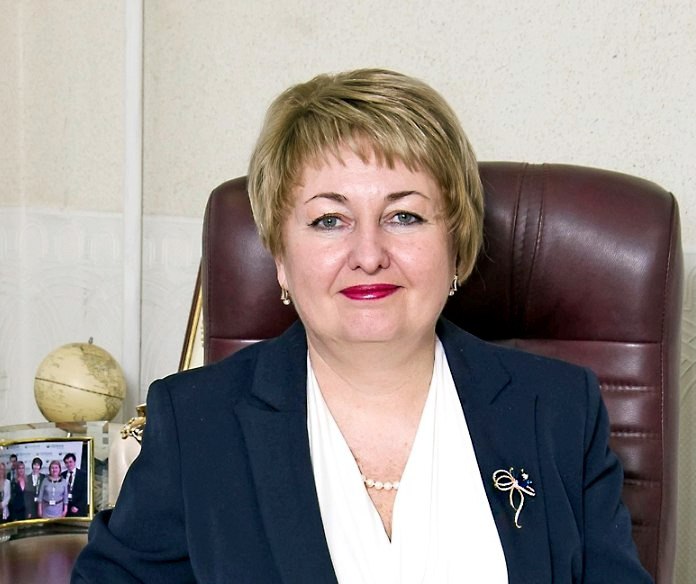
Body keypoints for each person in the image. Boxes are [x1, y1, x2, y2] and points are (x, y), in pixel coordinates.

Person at [73, 69, 652, 582]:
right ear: (280, 258)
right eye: (329, 220)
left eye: (404, 216)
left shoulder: (557, 410)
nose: (369, 254)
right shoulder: (197, 424)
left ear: (457, 246)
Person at [62, 452, 88, 517]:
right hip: (65, 508)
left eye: (70, 462)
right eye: (66, 462)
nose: (69, 464)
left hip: (78, 509)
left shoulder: (84, 475)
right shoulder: (62, 475)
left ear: (75, 462)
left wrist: (78, 506)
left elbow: (86, 493)